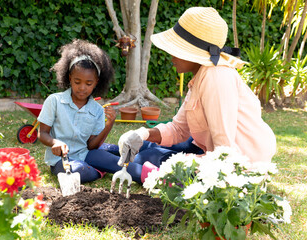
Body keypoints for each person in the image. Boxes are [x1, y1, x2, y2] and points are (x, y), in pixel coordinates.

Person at [116, 6, 277, 182]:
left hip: (242, 165)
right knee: (149, 152)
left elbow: (225, 151)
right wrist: (143, 134)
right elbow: (178, 129)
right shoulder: (201, 77)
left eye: (176, 49)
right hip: (217, 156)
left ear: (193, 52)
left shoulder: (216, 77)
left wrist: (180, 163)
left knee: (152, 157)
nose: (170, 55)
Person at [37, 39, 118, 183]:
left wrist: (109, 124)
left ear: (96, 82)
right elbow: (42, 134)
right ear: (69, 78)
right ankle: (100, 170)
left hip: (85, 154)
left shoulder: (97, 110)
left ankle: (99, 164)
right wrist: (55, 142)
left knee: (115, 158)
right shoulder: (54, 101)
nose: (82, 88)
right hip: (60, 160)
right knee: (79, 171)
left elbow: (91, 146)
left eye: (88, 83)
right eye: (77, 82)